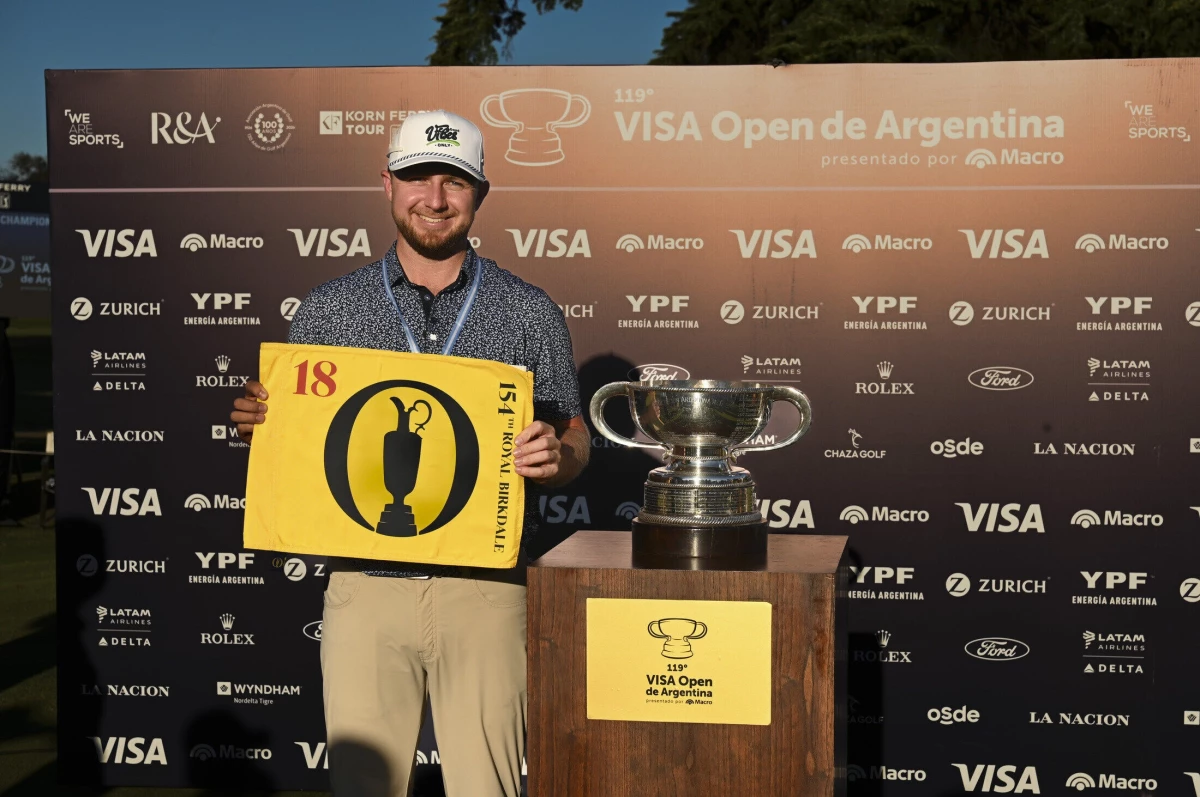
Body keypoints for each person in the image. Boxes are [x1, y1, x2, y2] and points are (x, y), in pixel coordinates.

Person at [230, 110, 589, 797]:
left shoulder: (528, 310)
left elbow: (576, 435)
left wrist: (558, 452)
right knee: (365, 786)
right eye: (417, 176)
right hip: (365, 584)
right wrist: (263, 420)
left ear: (480, 193)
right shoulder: (329, 308)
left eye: (454, 180)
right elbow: (293, 434)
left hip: (486, 587)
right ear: (386, 185)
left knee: (489, 788)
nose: (435, 196)